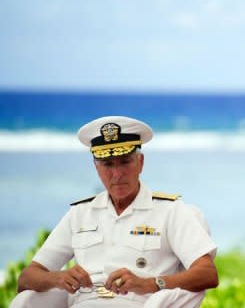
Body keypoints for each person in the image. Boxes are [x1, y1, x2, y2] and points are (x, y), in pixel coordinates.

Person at [16, 116, 218, 307]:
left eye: (125, 161)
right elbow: (27, 278)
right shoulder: (80, 213)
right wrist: (57, 278)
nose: (117, 173)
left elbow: (208, 273)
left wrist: (149, 283)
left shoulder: (169, 211)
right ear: (96, 167)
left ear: (140, 163)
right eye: (107, 164)